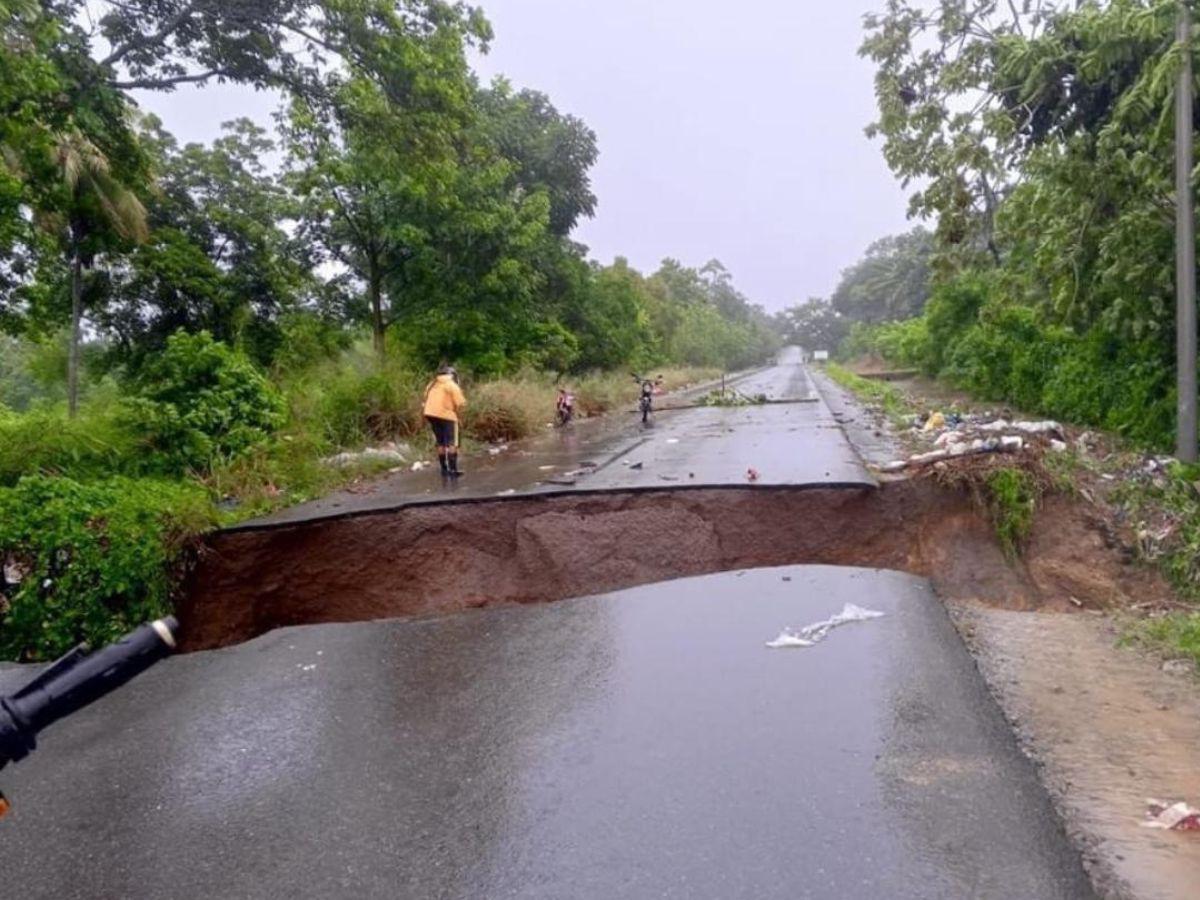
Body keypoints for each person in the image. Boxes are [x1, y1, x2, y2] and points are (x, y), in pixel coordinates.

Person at [423, 365, 467, 477]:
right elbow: (461, 404)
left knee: (440, 442)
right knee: (453, 442)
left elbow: (426, 399)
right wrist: (459, 417)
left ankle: (444, 469)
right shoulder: (451, 385)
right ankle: (453, 470)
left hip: (430, 414)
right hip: (447, 415)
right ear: (452, 375)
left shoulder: (431, 384)